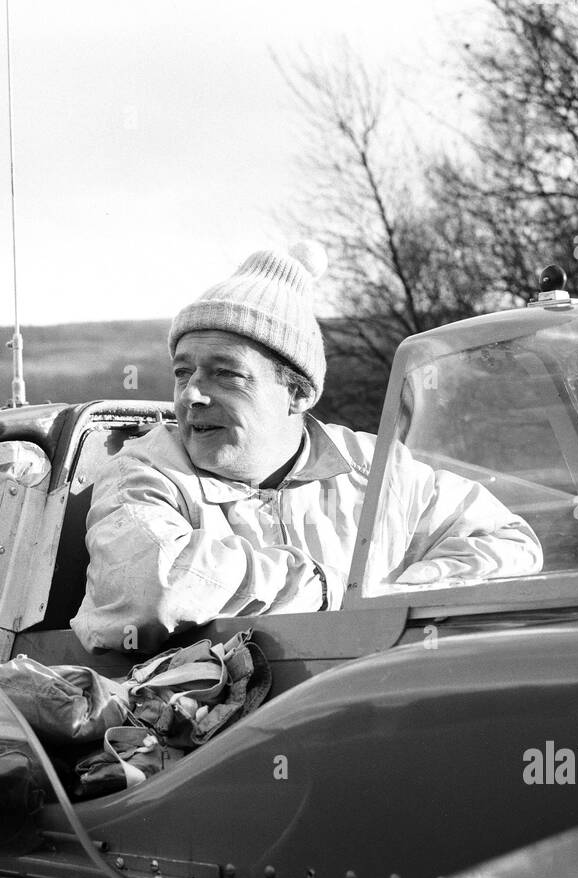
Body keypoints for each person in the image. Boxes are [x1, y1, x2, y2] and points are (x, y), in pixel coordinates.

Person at [71, 240, 542, 653]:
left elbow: (509, 542)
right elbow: (150, 586)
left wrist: (399, 595)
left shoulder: (375, 471)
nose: (192, 394)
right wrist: (325, 588)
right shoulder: (144, 471)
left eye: (224, 372)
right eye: (182, 371)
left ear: (297, 393)